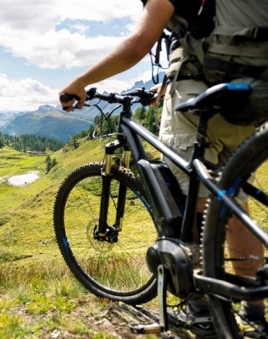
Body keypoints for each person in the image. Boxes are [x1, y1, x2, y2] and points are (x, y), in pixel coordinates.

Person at [59, 0, 266, 337]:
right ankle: (253, 310)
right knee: (232, 202)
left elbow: (138, 45)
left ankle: (201, 309)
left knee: (194, 203)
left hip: (199, 104)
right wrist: (169, 81)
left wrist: (78, 83)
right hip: (250, 94)